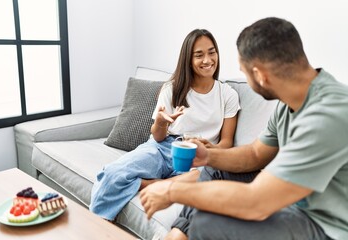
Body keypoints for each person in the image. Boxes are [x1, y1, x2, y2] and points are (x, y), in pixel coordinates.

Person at [140, 17, 348, 240]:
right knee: (216, 170)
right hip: (298, 203)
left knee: (208, 224)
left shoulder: (328, 115)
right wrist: (208, 156)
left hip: (327, 227)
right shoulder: (290, 103)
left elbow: (256, 202)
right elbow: (255, 154)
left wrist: (172, 191)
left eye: (244, 72)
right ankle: (177, 236)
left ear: (260, 75)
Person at [89, 29, 241, 221]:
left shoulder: (227, 94)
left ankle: (153, 184)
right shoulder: (172, 89)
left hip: (199, 156)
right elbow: (159, 136)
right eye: (199, 55)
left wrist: (209, 151)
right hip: (163, 147)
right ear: (188, 59)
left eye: (212, 52)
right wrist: (160, 122)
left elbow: (226, 142)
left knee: (208, 178)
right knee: (112, 173)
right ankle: (97, 228)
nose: (207, 60)